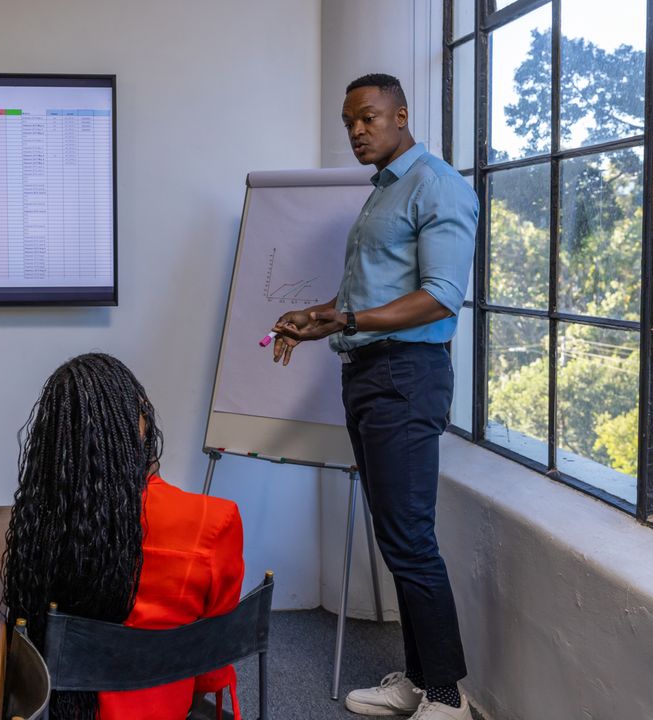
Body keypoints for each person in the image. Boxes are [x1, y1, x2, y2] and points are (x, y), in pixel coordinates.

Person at [269, 74, 477, 720]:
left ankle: (447, 696)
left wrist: (348, 323)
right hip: (370, 375)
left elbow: (440, 295)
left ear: (400, 115)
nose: (357, 131)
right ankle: (418, 681)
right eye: (348, 122)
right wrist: (317, 316)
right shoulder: (385, 193)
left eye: (368, 118)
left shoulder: (435, 185)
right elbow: (369, 296)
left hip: (406, 376)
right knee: (396, 537)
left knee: (410, 539)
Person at [1, 353, 245, 720]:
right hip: (168, 708)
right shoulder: (215, 520)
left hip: (62, 708)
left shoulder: (40, 525)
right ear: (139, 424)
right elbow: (211, 661)